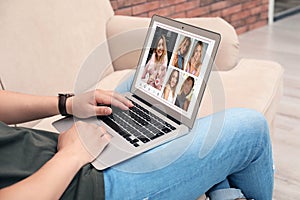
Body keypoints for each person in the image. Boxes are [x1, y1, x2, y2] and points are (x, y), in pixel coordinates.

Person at [0, 75, 274, 200]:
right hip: (81, 185)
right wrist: (71, 155)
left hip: (60, 154)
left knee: (137, 84)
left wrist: (68, 104)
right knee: (252, 130)